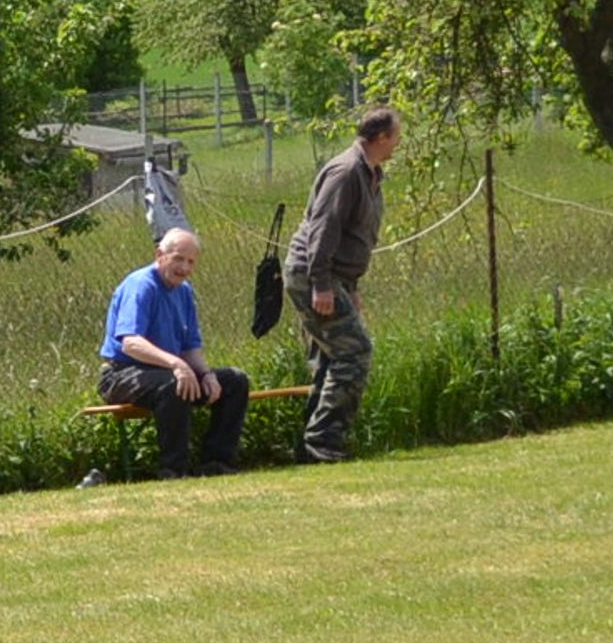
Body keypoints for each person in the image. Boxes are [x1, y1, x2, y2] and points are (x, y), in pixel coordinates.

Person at [286, 108, 401, 464]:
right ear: (381, 137)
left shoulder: (370, 173)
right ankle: (323, 443)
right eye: (396, 136)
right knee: (354, 351)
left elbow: (353, 236)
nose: (398, 143)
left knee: (331, 357)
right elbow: (325, 227)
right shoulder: (347, 171)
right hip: (313, 274)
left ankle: (312, 447)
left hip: (337, 278)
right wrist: (321, 283)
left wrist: (351, 288)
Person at [97, 228, 249, 478]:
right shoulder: (140, 285)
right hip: (121, 374)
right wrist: (176, 364)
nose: (184, 268)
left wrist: (206, 374)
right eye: (178, 259)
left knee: (235, 381)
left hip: (168, 370)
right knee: (173, 384)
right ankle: (173, 469)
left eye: (191, 262)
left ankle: (217, 463)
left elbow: (190, 347)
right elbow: (130, 343)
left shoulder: (184, 291)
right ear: (160, 255)